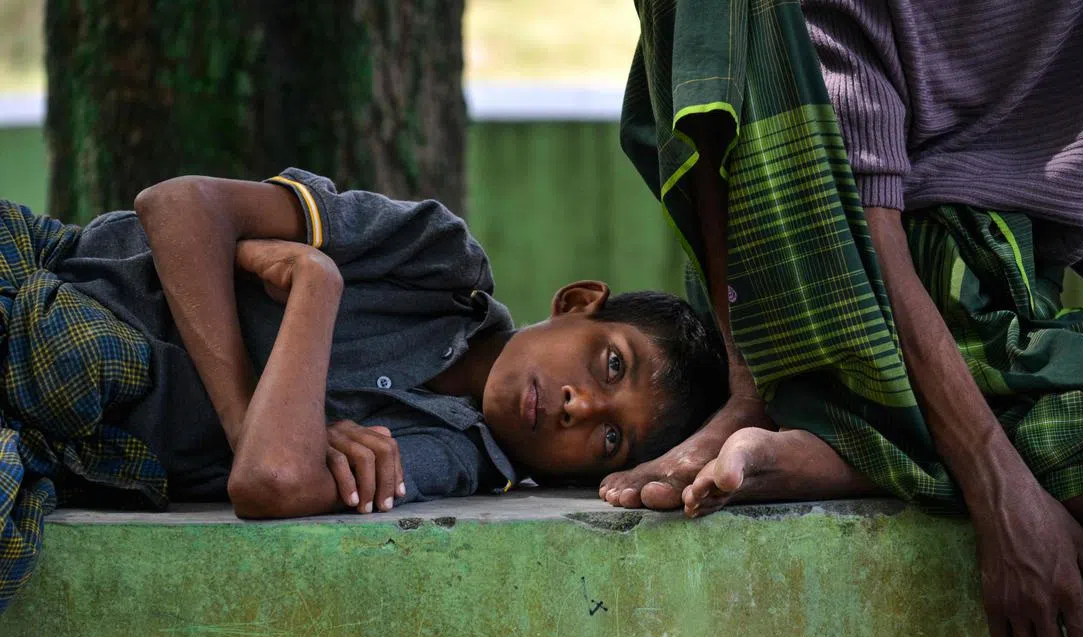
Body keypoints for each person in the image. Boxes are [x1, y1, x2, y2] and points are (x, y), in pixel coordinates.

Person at [606, 0, 1083, 637]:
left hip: (1015, 302)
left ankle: (854, 449)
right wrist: (998, 492)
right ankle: (782, 395)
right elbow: (869, 233)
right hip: (842, 277)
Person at [0, 168, 729, 612]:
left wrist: (316, 284)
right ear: (575, 302)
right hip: (42, 287)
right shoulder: (434, 258)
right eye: (610, 366)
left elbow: (271, 479)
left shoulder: (453, 460)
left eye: (609, 438)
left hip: (52, 439)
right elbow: (179, 206)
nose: (581, 406)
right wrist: (254, 416)